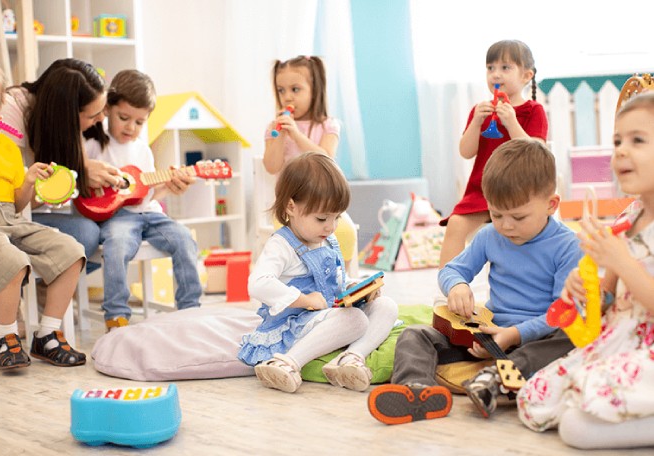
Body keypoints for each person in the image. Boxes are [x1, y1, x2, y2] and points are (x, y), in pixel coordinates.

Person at [368, 139, 582, 424]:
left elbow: (560, 314)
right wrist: (457, 286)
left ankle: (493, 381)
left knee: (569, 337)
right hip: (486, 333)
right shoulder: (489, 235)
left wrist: (512, 335)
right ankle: (416, 391)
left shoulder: (567, 246)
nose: (505, 225)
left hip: (535, 337)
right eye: (496, 214)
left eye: (518, 216)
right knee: (414, 335)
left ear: (551, 205)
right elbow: (450, 271)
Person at [516, 93, 654, 450]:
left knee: (577, 427)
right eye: (617, 141)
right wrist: (587, 288)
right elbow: (608, 298)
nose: (621, 150)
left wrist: (622, 261)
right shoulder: (628, 218)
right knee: (534, 399)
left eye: (637, 140)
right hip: (619, 339)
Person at [238, 151, 398, 393]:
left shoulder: (327, 240)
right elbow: (258, 283)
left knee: (387, 306)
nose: (331, 226)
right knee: (355, 320)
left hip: (328, 315)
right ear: (291, 206)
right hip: (294, 322)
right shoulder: (282, 245)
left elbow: (335, 281)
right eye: (322, 218)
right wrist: (304, 300)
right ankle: (287, 363)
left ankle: (350, 359)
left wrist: (358, 288)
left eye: (337, 217)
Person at [0, 51, 86, 369]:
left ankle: (46, 334)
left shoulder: (7, 146)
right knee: (11, 259)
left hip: (10, 220)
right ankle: (6, 338)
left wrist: (31, 181)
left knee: (71, 251)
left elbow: (19, 204)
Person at [83, 69, 200, 330]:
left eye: (139, 122)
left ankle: (190, 308)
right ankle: (116, 313)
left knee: (185, 239)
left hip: (150, 214)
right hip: (118, 218)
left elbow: (145, 195)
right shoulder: (93, 143)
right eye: (123, 118)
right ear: (107, 108)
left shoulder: (142, 150)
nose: (131, 127)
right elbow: (84, 182)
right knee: (118, 245)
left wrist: (168, 186)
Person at [0, 58, 122, 271]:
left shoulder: (57, 116)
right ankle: (39, 287)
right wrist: (59, 188)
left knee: (102, 232)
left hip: (25, 216)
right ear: (67, 115)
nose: (101, 119)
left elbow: (77, 167)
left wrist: (82, 169)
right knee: (85, 235)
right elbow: (6, 203)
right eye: (93, 115)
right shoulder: (8, 118)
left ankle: (46, 287)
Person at [438, 40, 548, 269]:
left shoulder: (533, 110)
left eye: (505, 68)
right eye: (490, 68)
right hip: (483, 189)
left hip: (521, 190)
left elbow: (537, 151)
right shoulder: (481, 110)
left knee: (520, 234)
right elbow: (466, 152)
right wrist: (477, 121)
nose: (496, 74)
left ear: (526, 75)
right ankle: (447, 284)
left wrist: (512, 122)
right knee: (456, 225)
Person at [262, 55, 358, 275]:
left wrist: (296, 135)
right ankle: (303, 277)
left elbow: (327, 158)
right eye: (281, 90)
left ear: (315, 90)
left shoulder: (327, 125)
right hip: (291, 205)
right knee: (295, 239)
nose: (287, 97)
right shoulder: (274, 128)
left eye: (295, 89)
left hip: (324, 203)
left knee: (347, 232)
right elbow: (272, 166)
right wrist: (278, 137)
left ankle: (342, 276)